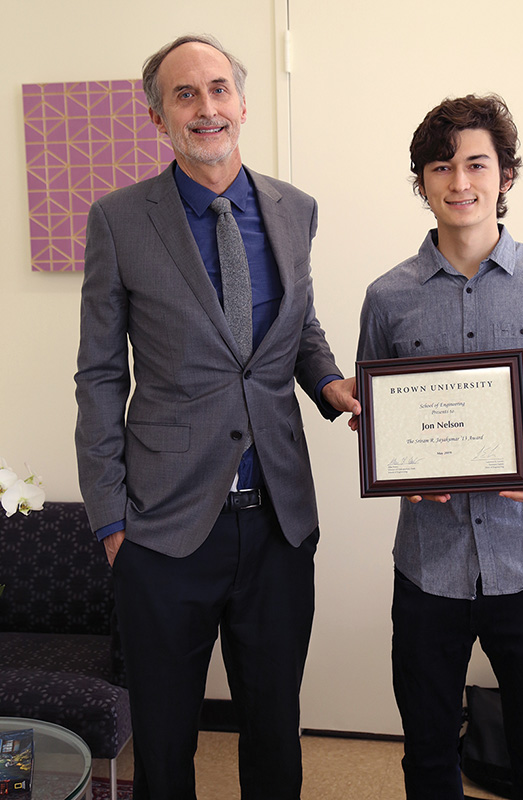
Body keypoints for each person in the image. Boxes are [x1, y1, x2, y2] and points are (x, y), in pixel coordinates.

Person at [74, 33, 358, 800]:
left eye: (218, 89)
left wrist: (332, 386)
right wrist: (111, 524)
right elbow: (99, 375)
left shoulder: (295, 211)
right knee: (165, 746)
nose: (206, 108)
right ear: (157, 116)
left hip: (277, 523)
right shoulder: (119, 220)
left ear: (241, 100)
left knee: (274, 729)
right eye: (184, 95)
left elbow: (297, 327)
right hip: (162, 529)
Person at [354, 94, 523, 799]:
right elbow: (375, 418)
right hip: (427, 570)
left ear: (505, 175)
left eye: (477, 163)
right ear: (423, 184)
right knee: (428, 761)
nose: (460, 182)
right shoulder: (388, 298)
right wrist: (399, 469)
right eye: (441, 167)